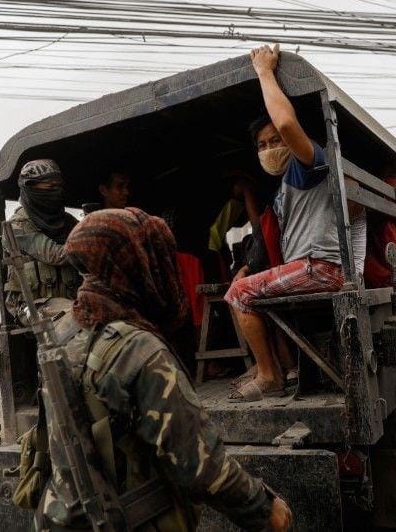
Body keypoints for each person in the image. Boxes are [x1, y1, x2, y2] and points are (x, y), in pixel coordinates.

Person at [34, 207, 291, 531]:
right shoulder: (137, 349)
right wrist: (263, 507)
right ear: (135, 263)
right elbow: (201, 467)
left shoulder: (64, 333)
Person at [224, 44, 366, 402]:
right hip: (309, 266)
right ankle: (273, 368)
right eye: (262, 144)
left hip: (322, 267)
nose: (270, 147)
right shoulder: (286, 184)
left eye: (275, 140)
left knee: (240, 294)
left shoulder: (309, 163)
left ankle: (270, 376)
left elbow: (287, 123)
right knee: (246, 288)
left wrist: (265, 72)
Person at [2, 159, 80, 324]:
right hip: (31, 307)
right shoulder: (18, 226)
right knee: (78, 317)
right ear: (31, 189)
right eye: (50, 187)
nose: (56, 192)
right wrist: (94, 246)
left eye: (58, 186)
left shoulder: (68, 222)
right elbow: (56, 255)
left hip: (69, 301)